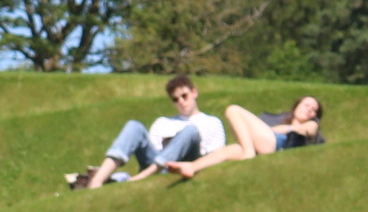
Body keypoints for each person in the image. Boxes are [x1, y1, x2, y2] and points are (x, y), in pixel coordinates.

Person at [68, 76, 222, 188]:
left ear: (194, 93)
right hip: (157, 165)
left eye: (184, 96)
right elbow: (153, 150)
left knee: (190, 131)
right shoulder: (163, 122)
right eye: (175, 99)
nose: (181, 101)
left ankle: (139, 178)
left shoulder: (212, 122)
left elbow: (215, 155)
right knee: (134, 126)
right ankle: (97, 181)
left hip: (188, 162)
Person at [158, 95, 326, 178]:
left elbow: (306, 131)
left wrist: (289, 128)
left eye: (314, 109)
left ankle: (248, 153)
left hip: (278, 144)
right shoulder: (275, 120)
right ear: (296, 106)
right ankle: (192, 168)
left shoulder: (312, 125)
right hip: (265, 144)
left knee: (233, 110)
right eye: (306, 105)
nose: (310, 109)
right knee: (228, 150)